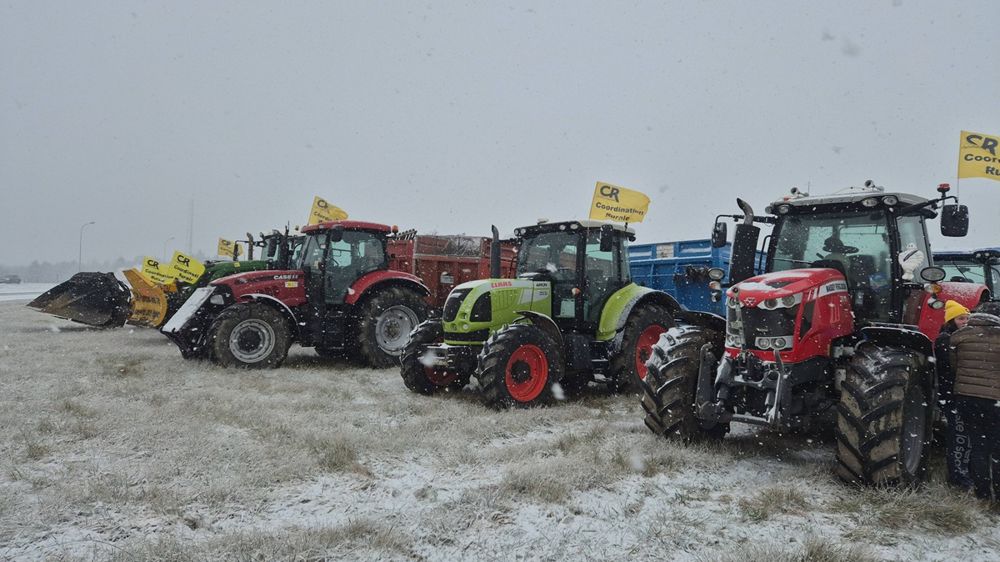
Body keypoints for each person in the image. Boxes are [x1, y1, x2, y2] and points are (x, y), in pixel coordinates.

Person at [949, 301, 1000, 501]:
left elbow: (955, 367)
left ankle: (983, 493)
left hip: (966, 398)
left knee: (978, 445)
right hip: (995, 399)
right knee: (997, 447)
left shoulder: (959, 336)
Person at [935, 300, 971, 487]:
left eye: (966, 318)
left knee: (963, 433)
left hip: (958, 391)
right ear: (951, 321)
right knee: (959, 434)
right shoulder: (945, 340)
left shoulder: (957, 338)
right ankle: (958, 475)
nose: (965, 321)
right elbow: (949, 368)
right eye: (961, 318)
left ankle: (962, 472)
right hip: (952, 392)